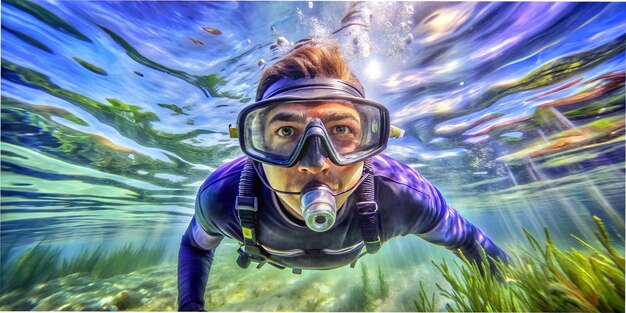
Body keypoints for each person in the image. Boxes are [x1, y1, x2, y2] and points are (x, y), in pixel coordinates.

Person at [177, 38, 509, 311]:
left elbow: (467, 240)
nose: (316, 163)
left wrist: (513, 291)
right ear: (254, 141)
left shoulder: (403, 197)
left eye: (340, 128)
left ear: (370, 139)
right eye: (286, 131)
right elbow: (195, 247)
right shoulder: (222, 197)